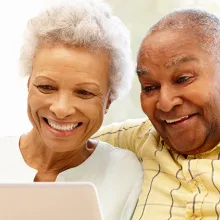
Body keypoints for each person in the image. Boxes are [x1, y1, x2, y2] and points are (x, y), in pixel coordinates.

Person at [0, 1, 143, 220]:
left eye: (84, 92)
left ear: (108, 100)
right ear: (28, 84)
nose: (61, 109)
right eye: (46, 87)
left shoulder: (125, 173)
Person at [93, 8, 220, 220]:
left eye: (182, 79)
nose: (165, 103)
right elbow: (63, 143)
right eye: (150, 87)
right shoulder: (139, 139)